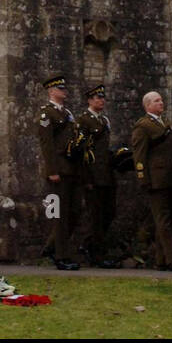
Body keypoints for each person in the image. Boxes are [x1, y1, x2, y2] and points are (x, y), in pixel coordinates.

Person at [131, 90, 172, 271]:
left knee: (165, 219)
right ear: (148, 106)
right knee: (163, 220)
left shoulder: (164, 123)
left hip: (169, 177)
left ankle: (161, 259)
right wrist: (143, 178)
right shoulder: (143, 126)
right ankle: (171, 259)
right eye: (156, 101)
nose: (161, 103)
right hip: (156, 180)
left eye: (161, 100)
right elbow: (139, 155)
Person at [38, 72, 84, 270]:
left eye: (64, 88)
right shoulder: (45, 114)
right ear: (51, 91)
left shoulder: (67, 114)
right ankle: (61, 256)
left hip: (70, 168)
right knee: (58, 213)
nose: (64, 91)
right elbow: (46, 144)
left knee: (74, 210)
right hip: (57, 170)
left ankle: (51, 247)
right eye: (60, 88)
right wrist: (52, 170)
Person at [77, 85, 119, 268]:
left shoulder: (104, 120)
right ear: (89, 100)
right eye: (96, 98)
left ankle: (88, 245)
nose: (100, 101)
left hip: (106, 174)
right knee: (96, 216)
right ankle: (97, 254)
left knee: (109, 212)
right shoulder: (84, 121)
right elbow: (81, 151)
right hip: (93, 175)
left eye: (102, 98)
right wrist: (86, 178)